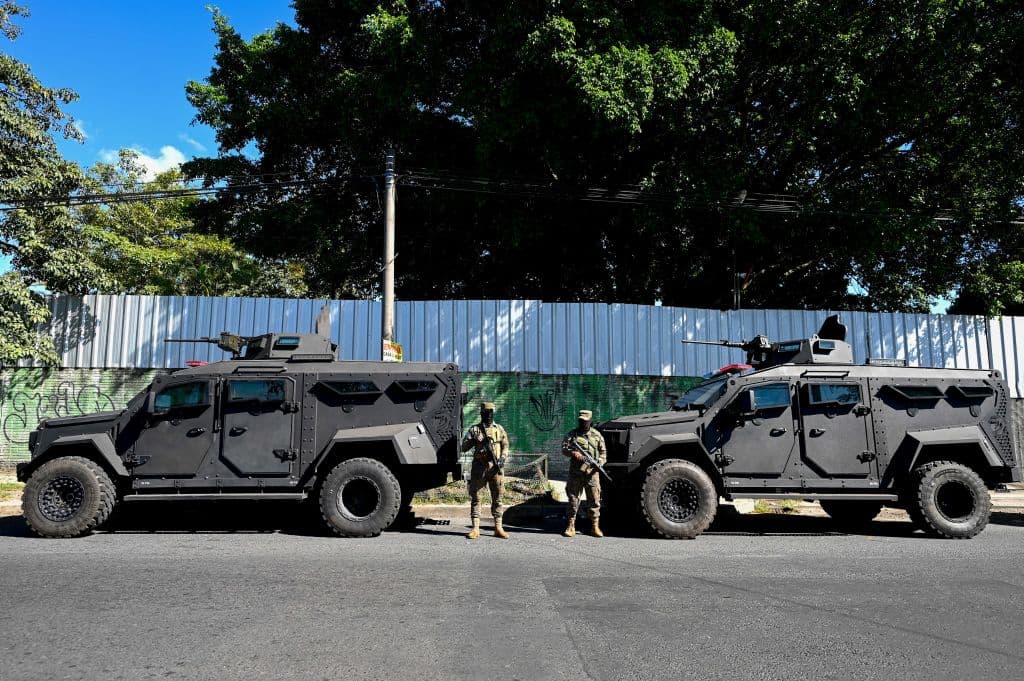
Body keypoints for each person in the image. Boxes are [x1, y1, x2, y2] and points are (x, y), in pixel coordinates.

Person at [461, 402, 510, 539]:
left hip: (495, 468)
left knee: (498, 498)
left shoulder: (499, 429)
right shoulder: (475, 430)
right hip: (479, 468)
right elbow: (463, 447)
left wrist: (502, 458)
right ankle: (475, 528)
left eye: (490, 413)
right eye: (486, 413)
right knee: (476, 498)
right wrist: (474, 440)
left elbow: (506, 445)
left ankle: (498, 527)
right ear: (482, 414)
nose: (488, 416)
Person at [561, 409, 607, 538]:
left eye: (585, 421)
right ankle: (571, 526)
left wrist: (599, 463)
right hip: (576, 473)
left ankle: (594, 526)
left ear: (590, 421)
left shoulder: (597, 436)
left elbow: (603, 454)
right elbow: (564, 449)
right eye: (581, 421)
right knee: (573, 499)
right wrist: (573, 453)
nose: (582, 423)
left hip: (592, 473)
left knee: (594, 500)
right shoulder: (572, 435)